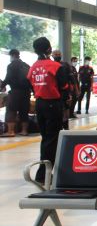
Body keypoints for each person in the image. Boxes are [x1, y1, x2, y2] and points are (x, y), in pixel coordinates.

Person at [27, 37, 68, 183]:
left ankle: (43, 171)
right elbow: (64, 87)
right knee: (52, 139)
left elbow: (31, 84)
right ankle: (44, 173)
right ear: (49, 49)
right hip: (53, 104)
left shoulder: (33, 67)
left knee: (45, 139)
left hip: (40, 104)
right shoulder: (55, 66)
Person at [1, 49, 31, 137]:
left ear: (12, 55)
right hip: (26, 92)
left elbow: (8, 78)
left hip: (15, 91)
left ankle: (10, 131)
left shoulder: (11, 65)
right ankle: (24, 131)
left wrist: (2, 85)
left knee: (11, 110)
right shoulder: (27, 65)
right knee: (24, 111)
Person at [52, 50, 74, 129]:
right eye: (56, 54)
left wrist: (73, 90)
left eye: (59, 54)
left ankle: (66, 127)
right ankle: (58, 127)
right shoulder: (51, 65)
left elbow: (71, 78)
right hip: (54, 91)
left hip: (65, 91)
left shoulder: (65, 65)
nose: (57, 56)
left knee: (66, 110)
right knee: (57, 111)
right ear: (52, 55)